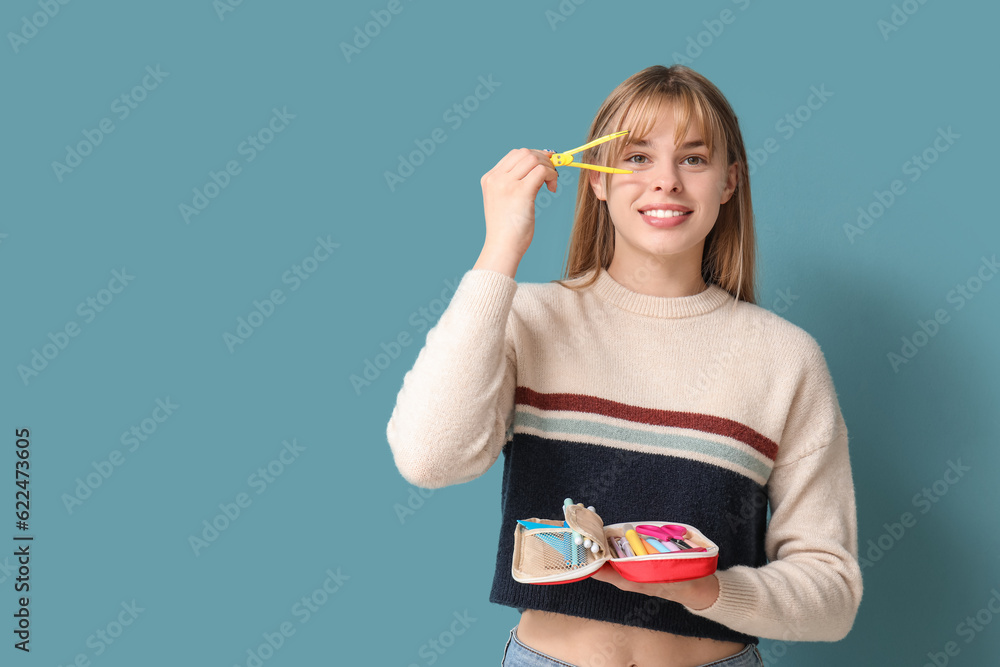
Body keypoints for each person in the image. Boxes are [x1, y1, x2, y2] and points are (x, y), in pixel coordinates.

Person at [386, 64, 862, 667]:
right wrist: (500, 248)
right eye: (637, 157)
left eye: (693, 159)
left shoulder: (785, 358)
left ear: (729, 183)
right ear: (597, 182)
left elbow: (833, 594)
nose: (665, 181)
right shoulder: (528, 319)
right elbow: (430, 458)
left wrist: (707, 589)